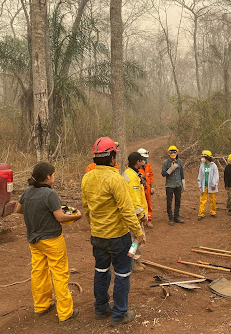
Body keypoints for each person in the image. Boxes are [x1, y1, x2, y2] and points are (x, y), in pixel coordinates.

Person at [81, 137, 144, 327]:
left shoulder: (87, 177)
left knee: (101, 271)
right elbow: (126, 210)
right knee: (123, 274)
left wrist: (95, 225)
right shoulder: (115, 179)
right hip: (118, 237)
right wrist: (138, 232)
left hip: (98, 236)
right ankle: (119, 314)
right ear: (112, 157)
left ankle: (101, 309)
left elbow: (87, 207)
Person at [16, 162, 82, 323]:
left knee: (39, 272)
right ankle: (65, 313)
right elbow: (60, 217)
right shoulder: (50, 194)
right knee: (59, 275)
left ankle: (41, 306)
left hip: (34, 240)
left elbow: (18, 209)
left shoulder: (28, 192)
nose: (54, 177)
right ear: (47, 176)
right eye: (53, 174)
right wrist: (77, 216)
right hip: (52, 240)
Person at [123, 152, 149, 271]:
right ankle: (133, 262)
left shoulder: (131, 173)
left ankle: (136, 260)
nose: (143, 162)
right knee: (137, 239)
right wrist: (141, 214)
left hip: (132, 212)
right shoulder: (132, 177)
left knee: (136, 239)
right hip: (134, 214)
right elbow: (134, 198)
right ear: (137, 162)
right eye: (141, 160)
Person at [161, 145, 185, 225]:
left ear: (177, 152)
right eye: (171, 152)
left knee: (178, 201)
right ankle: (170, 218)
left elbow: (181, 173)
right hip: (169, 185)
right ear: (169, 153)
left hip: (178, 185)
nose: (173, 153)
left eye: (174, 152)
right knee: (169, 202)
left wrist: (183, 182)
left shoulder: (180, 162)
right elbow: (163, 174)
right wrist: (170, 170)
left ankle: (176, 217)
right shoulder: (166, 162)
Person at [197, 150, 220, 220]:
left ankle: (213, 212)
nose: (202, 158)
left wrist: (214, 184)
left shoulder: (213, 166)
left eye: (203, 157)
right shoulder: (202, 166)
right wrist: (200, 185)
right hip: (204, 186)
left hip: (212, 187)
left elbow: (216, 176)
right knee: (202, 200)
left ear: (207, 157)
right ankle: (201, 214)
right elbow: (200, 176)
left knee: (212, 200)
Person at [137, 148, 154, 228]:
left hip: (148, 188)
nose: (145, 160)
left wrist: (152, 186)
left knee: (148, 204)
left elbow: (151, 175)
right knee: (139, 205)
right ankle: (140, 221)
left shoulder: (148, 165)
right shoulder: (136, 167)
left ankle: (148, 220)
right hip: (139, 189)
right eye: (144, 158)